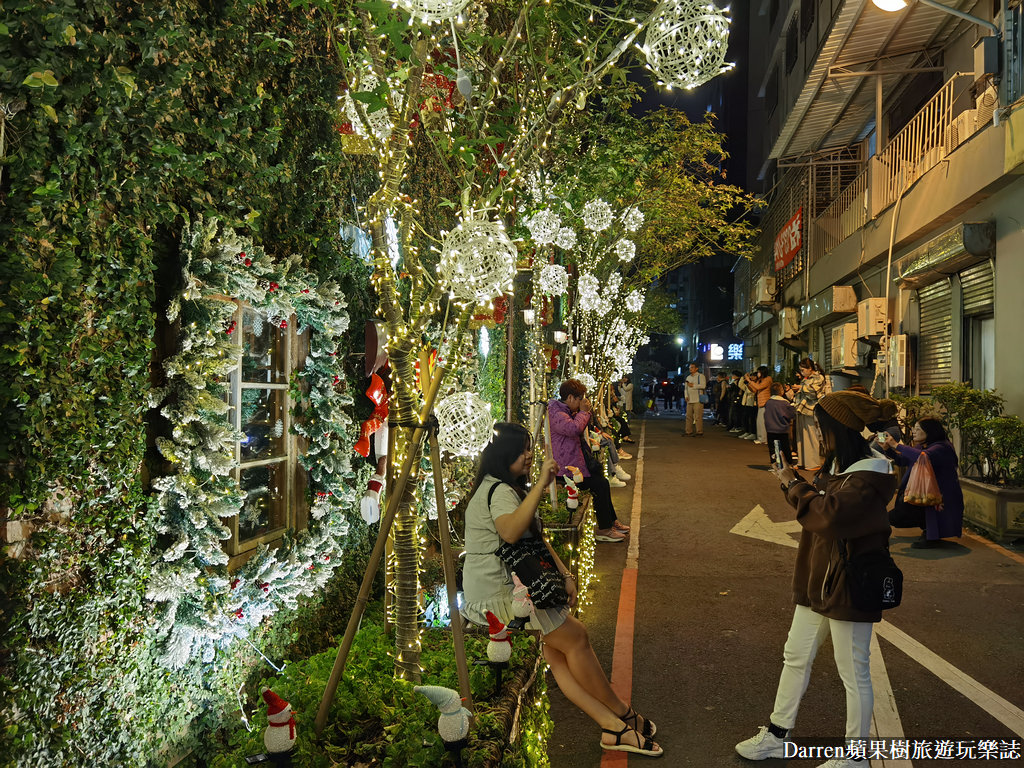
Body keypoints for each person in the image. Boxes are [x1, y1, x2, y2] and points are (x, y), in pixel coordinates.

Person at [462, 423, 663, 757]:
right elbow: (512, 532)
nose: (529, 455)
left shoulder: (500, 487)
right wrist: (542, 482)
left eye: (529, 448)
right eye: (523, 450)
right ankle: (620, 714)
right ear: (504, 454)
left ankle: (612, 726)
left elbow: (534, 538)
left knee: (557, 656)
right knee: (577, 638)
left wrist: (565, 573)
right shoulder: (497, 492)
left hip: (513, 588)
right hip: (502, 596)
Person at [735, 391, 899, 768]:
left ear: (838, 428)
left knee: (853, 670)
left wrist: (795, 484)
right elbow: (820, 507)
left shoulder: (866, 477)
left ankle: (856, 756)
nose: (814, 431)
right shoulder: (843, 468)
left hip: (849, 584)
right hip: (819, 581)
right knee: (796, 655)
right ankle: (778, 734)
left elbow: (828, 516)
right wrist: (793, 483)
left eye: (820, 425)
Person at [548, 379, 629, 542]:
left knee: (602, 483)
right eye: (579, 399)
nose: (580, 403)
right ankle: (605, 529)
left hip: (576, 466)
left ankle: (611, 522)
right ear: (570, 398)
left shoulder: (564, 411)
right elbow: (574, 429)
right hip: (566, 471)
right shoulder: (557, 413)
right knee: (599, 485)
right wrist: (584, 412)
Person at [879, 418, 964, 548]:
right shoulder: (923, 446)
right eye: (914, 428)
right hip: (925, 492)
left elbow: (923, 456)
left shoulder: (942, 447)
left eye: (918, 429)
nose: (914, 431)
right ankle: (929, 534)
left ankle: (931, 537)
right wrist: (887, 449)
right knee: (902, 514)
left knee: (901, 514)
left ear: (930, 431)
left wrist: (896, 445)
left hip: (940, 494)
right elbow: (902, 460)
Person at [792, 358, 829, 471]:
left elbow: (813, 393)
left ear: (810, 368)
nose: (801, 372)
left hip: (811, 410)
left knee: (811, 437)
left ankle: (813, 463)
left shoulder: (819, 377)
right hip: (802, 409)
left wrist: (800, 387)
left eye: (803, 370)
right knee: (801, 437)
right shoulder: (807, 378)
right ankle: (802, 462)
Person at [765, 383, 796, 468]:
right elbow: (790, 414)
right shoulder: (784, 403)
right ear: (781, 391)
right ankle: (788, 464)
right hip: (782, 429)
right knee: (785, 447)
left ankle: (775, 464)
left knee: (773, 448)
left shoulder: (768, 402)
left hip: (770, 429)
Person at [745, 366, 773, 445]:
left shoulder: (768, 379)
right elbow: (754, 390)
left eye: (758, 372)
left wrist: (749, 380)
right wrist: (748, 383)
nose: (758, 374)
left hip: (765, 402)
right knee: (760, 422)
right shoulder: (760, 380)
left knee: (762, 422)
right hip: (760, 403)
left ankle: (763, 439)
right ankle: (761, 438)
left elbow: (758, 387)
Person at [683, 362, 707, 436]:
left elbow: (703, 386)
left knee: (698, 416)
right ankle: (688, 431)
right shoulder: (688, 377)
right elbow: (686, 388)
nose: (691, 369)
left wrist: (693, 385)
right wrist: (686, 396)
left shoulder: (701, 376)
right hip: (689, 399)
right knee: (688, 416)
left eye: (692, 367)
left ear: (696, 368)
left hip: (698, 399)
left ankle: (699, 431)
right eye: (690, 367)